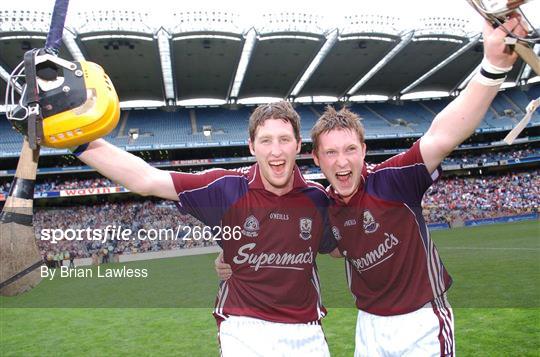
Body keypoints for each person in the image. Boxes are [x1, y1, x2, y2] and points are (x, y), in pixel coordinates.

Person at [217, 17, 528, 356]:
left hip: (422, 322)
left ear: (364, 151)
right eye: (331, 153)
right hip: (369, 327)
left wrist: (493, 67)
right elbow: (285, 238)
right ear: (317, 160)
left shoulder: (394, 180)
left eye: (350, 149)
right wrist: (229, 258)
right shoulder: (322, 207)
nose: (342, 161)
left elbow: (444, 134)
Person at [68, 101, 336, 356]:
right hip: (244, 328)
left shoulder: (318, 198)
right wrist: (73, 134)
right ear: (252, 146)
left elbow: (339, 247)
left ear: (299, 145)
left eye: (284, 140)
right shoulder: (225, 188)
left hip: (306, 329)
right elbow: (147, 179)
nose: (275, 151)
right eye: (266, 140)